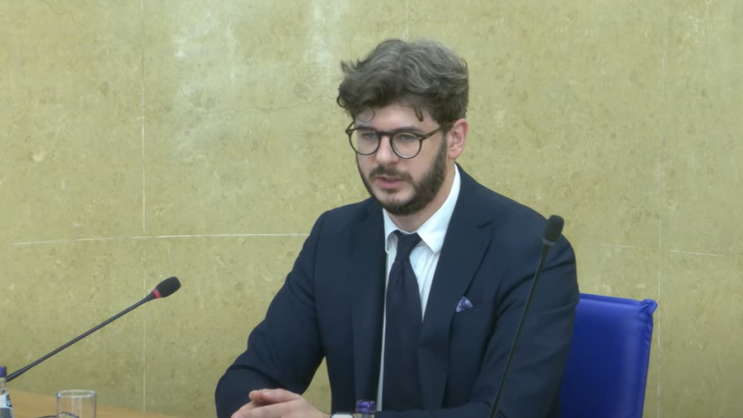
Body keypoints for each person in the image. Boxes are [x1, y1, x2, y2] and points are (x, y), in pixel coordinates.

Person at [215, 37, 579, 418]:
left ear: (454, 139)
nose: (383, 157)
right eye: (369, 135)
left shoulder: (532, 251)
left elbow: (503, 414)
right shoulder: (335, 237)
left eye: (406, 138)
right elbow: (248, 377)